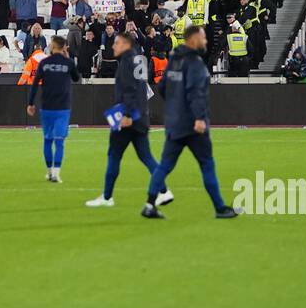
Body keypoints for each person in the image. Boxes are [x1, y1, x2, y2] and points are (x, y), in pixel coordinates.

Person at [141, 26, 237, 220]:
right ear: (193, 40)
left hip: (174, 122)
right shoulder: (195, 64)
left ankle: (149, 204)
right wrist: (200, 118)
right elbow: (196, 94)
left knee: (165, 165)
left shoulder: (174, 60)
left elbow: (163, 88)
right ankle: (219, 207)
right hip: (193, 125)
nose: (206, 41)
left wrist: (176, 107)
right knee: (207, 164)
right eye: (203, 38)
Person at [85, 32, 172, 208]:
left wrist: (127, 116)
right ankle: (164, 191)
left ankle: (107, 197)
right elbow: (141, 89)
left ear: (126, 44)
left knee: (114, 156)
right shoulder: (139, 59)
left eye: (116, 43)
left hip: (128, 118)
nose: (113, 46)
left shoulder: (127, 61)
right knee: (146, 157)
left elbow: (131, 90)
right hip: (140, 117)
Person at [27, 36, 79, 183]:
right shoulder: (68, 63)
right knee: (59, 141)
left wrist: (31, 103)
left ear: (54, 46)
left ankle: (49, 172)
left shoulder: (44, 63)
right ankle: (56, 173)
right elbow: (76, 78)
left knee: (48, 140)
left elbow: (35, 84)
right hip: (63, 107)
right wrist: (68, 59)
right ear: (63, 48)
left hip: (47, 106)